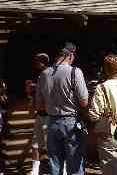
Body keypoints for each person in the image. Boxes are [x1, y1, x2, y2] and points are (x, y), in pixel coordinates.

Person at [36, 43, 88, 175]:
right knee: (75, 165)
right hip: (71, 123)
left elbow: (39, 106)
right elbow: (84, 102)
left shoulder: (43, 74)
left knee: (55, 165)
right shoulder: (75, 72)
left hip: (52, 123)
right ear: (69, 56)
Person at [31, 53, 50, 175]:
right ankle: (35, 169)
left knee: (50, 145)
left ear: (43, 61)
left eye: (37, 61)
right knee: (36, 142)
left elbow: (48, 92)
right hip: (40, 114)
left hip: (47, 115)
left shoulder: (49, 74)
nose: (35, 63)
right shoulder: (41, 75)